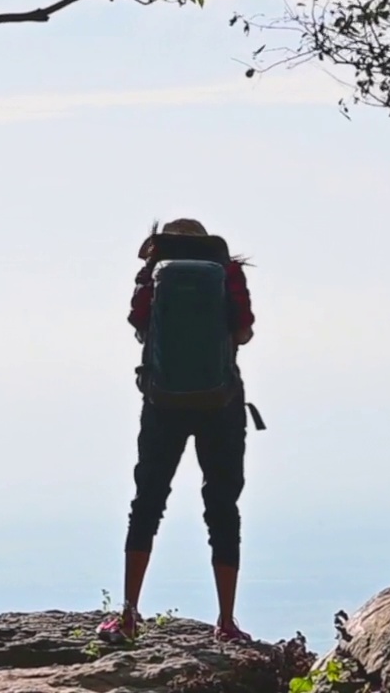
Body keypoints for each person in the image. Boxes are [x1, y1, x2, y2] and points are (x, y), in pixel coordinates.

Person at [100, 217, 256, 645]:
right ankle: (225, 621)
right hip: (220, 402)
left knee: (147, 503)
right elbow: (243, 331)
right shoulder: (228, 272)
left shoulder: (153, 274)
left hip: (162, 403)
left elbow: (138, 323)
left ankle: (129, 614)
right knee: (222, 506)